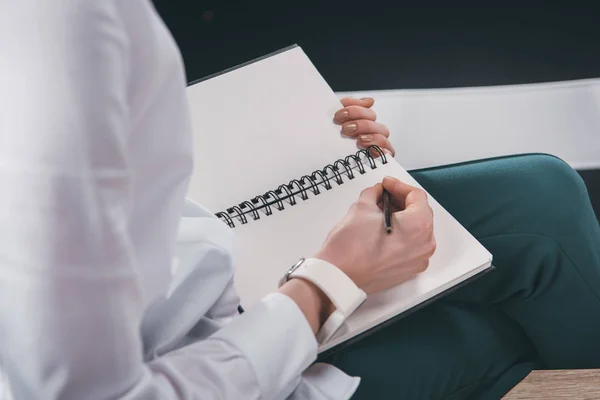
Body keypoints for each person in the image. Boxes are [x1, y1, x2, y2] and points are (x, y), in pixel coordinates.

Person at [1, 1, 599, 399]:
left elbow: (108, 179)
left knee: (541, 194)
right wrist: (325, 286)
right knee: (489, 335)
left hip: (209, 271)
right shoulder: (60, 28)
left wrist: (314, 152)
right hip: (233, 353)